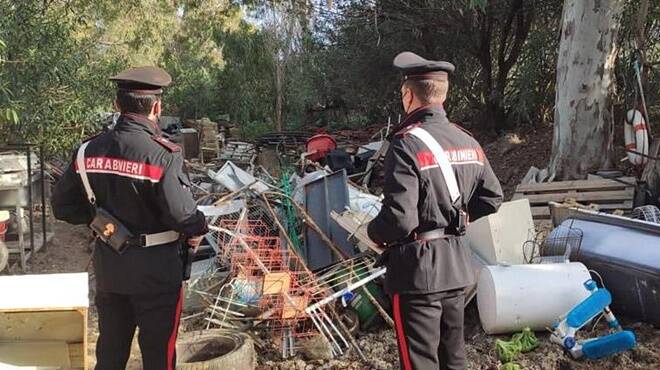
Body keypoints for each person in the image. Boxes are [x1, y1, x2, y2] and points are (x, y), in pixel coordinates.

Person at [52, 66, 208, 370]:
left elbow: (62, 206)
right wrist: (199, 226)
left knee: (110, 354)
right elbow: (183, 216)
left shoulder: (87, 151)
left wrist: (100, 222)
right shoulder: (163, 154)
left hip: (110, 266)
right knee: (158, 357)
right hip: (158, 274)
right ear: (157, 107)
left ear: (117, 105)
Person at [367, 52, 503, 370]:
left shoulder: (406, 144)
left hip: (417, 274)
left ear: (408, 94)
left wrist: (373, 233)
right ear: (444, 94)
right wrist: (459, 217)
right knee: (453, 358)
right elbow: (492, 197)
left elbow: (400, 220)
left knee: (420, 363)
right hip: (456, 266)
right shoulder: (467, 141)